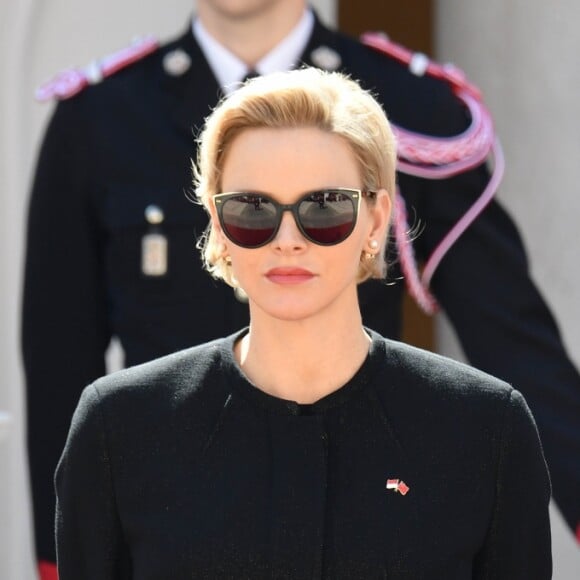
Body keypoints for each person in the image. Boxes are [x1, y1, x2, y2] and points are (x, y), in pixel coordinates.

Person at [23, 0, 580, 574]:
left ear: (374, 217)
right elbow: (58, 359)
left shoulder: (412, 105)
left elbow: (513, 339)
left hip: (383, 493)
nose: (287, 241)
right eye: (249, 210)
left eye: (326, 208)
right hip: (171, 502)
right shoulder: (99, 119)